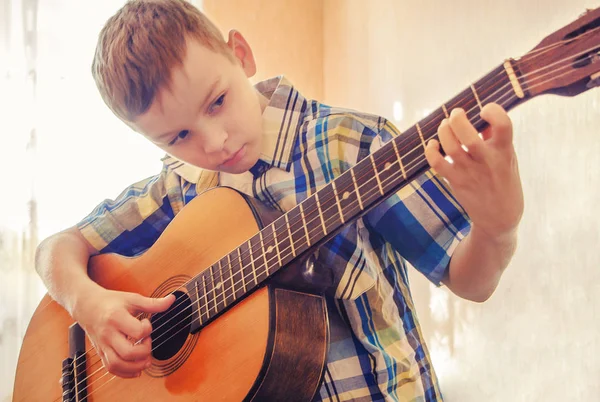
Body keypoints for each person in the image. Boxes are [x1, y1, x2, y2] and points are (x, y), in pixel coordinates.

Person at [34, 0, 524, 400]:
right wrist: (88, 303)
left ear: (240, 55)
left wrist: (497, 229)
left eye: (217, 101)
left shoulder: (349, 144)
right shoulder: (176, 189)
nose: (215, 143)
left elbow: (472, 281)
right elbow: (56, 248)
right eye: (179, 135)